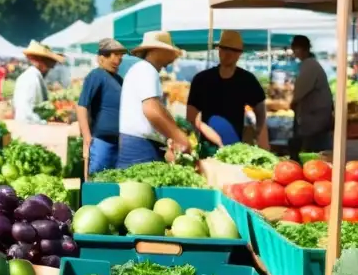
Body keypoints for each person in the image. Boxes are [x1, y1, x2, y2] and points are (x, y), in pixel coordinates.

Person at [118, 31, 192, 166]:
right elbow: (151, 109)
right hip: (139, 145)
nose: (172, 57)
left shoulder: (141, 69)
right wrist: (179, 137)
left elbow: (156, 108)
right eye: (169, 51)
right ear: (157, 50)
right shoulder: (147, 70)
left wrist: (171, 132)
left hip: (133, 142)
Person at [186, 31, 267, 150]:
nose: (227, 54)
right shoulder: (202, 80)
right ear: (218, 50)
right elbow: (191, 116)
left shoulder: (247, 80)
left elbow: (260, 108)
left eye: (233, 50)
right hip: (207, 147)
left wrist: (259, 134)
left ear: (239, 54)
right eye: (224, 49)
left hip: (235, 148)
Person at [77, 38, 126, 176]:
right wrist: (87, 137)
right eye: (114, 56)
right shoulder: (96, 75)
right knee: (98, 180)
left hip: (118, 143)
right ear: (101, 58)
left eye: (120, 57)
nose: (118, 60)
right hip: (101, 142)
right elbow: (81, 106)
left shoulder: (118, 79)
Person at [288, 35, 334, 156]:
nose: (294, 52)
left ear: (302, 49)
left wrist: (293, 102)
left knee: (314, 150)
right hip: (316, 115)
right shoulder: (309, 64)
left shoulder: (310, 65)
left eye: (295, 48)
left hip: (316, 117)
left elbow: (301, 89)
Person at [13, 41, 66, 124]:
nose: (51, 68)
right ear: (40, 61)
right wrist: (45, 123)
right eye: (50, 64)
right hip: (28, 130)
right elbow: (25, 113)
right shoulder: (30, 79)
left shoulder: (35, 77)